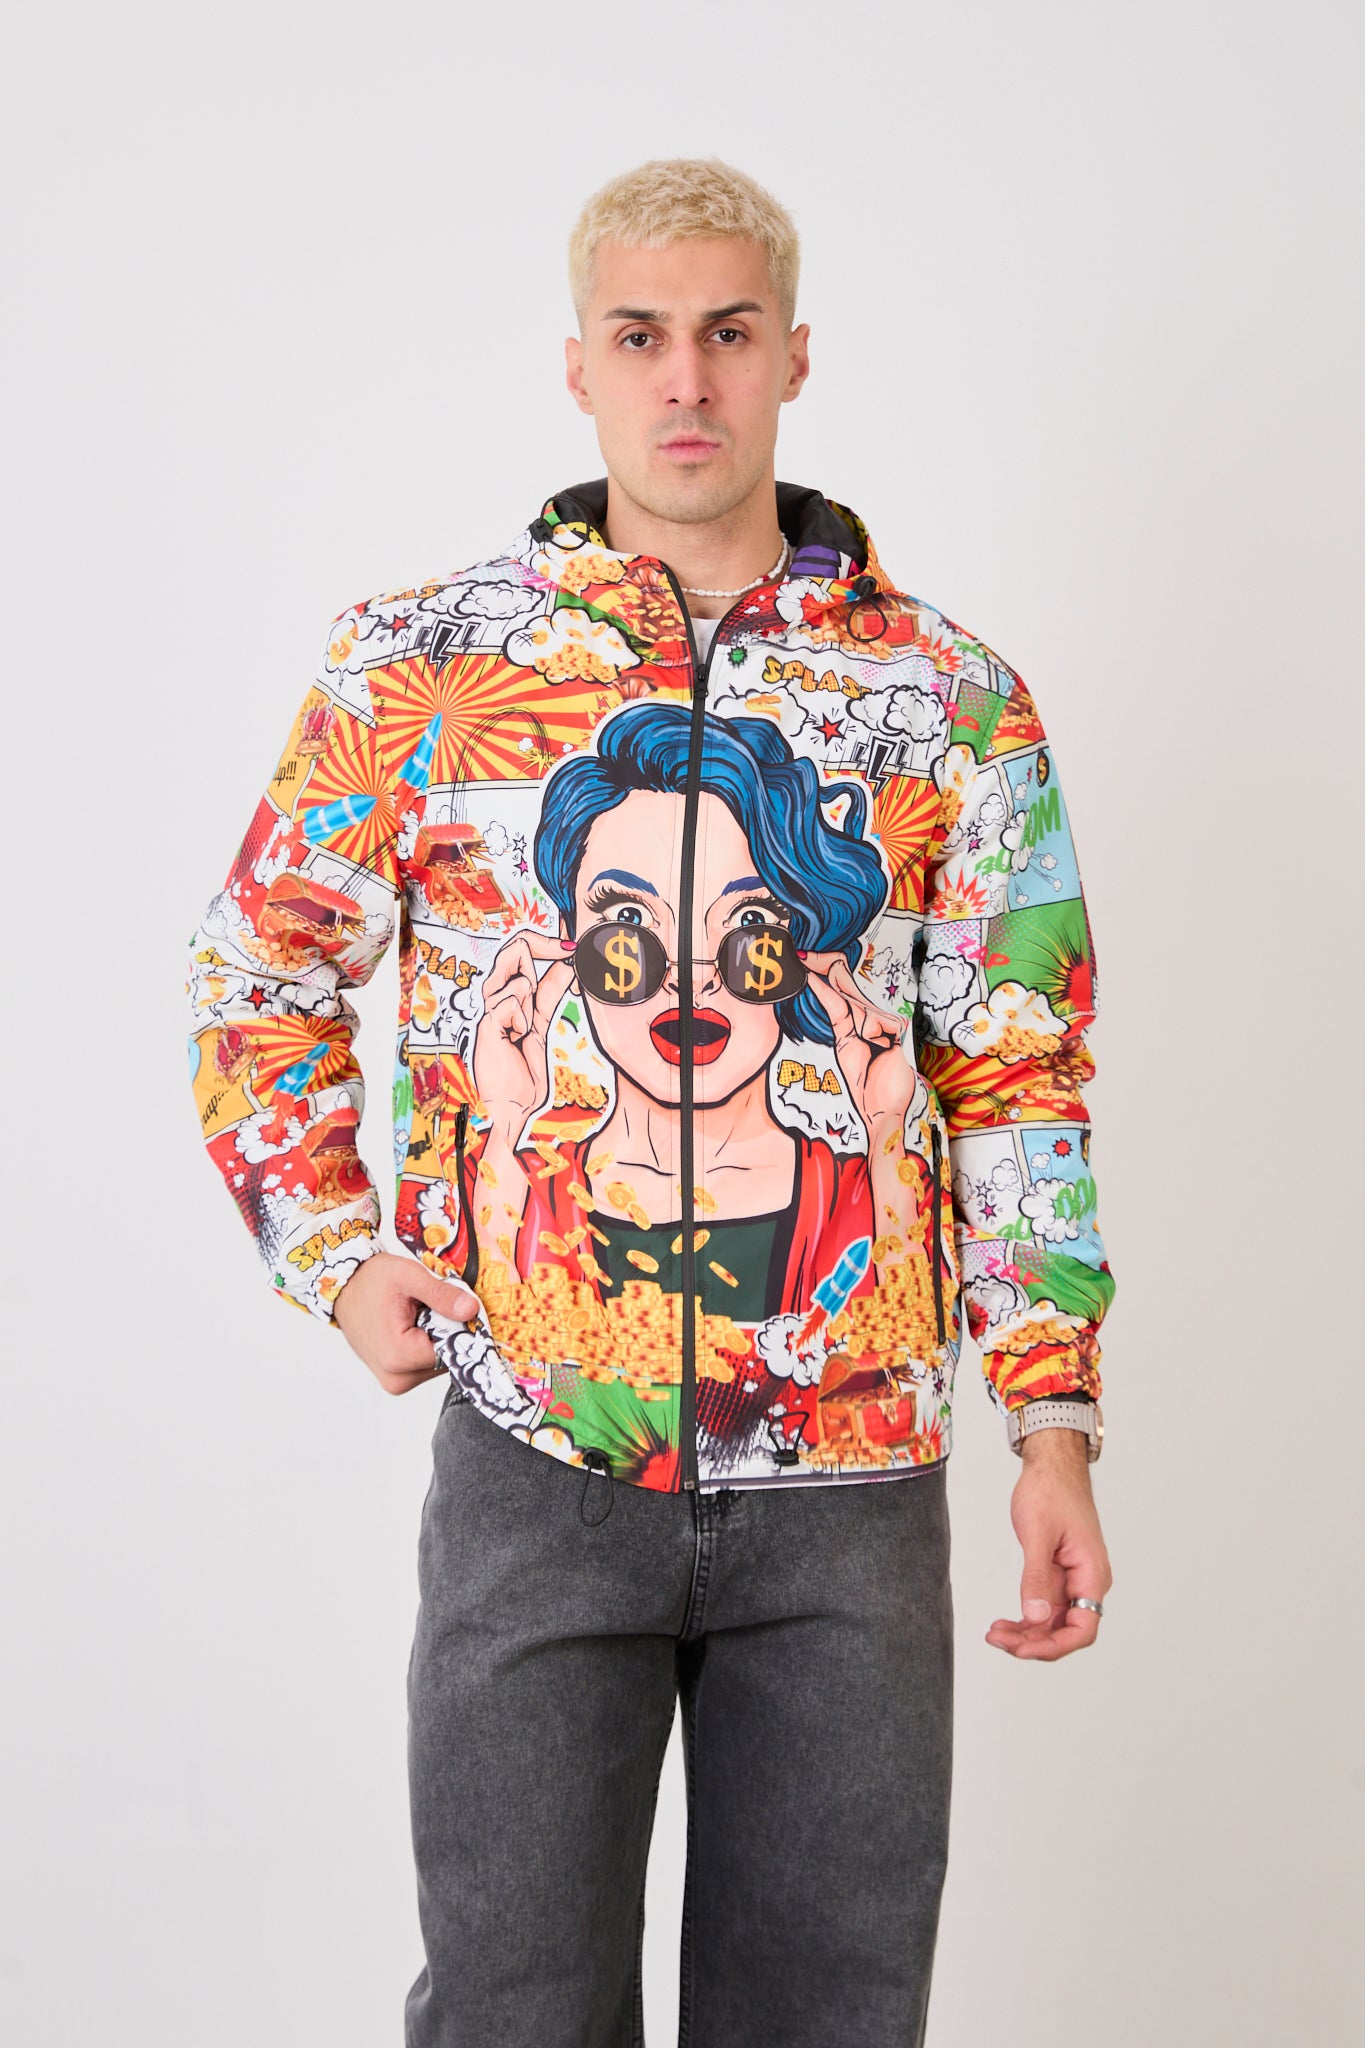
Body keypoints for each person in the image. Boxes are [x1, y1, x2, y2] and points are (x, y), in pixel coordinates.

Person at [186, 155, 1115, 2048]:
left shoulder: (949, 699)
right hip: (538, 1459)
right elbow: (256, 968)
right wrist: (334, 1254)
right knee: (513, 2010)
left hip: (853, 1486)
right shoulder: (424, 665)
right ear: (578, 366)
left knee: (829, 2014)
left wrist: (1052, 1421)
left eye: (726, 332)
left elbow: (1015, 1070)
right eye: (639, 336)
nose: (684, 379)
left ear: (792, 357)